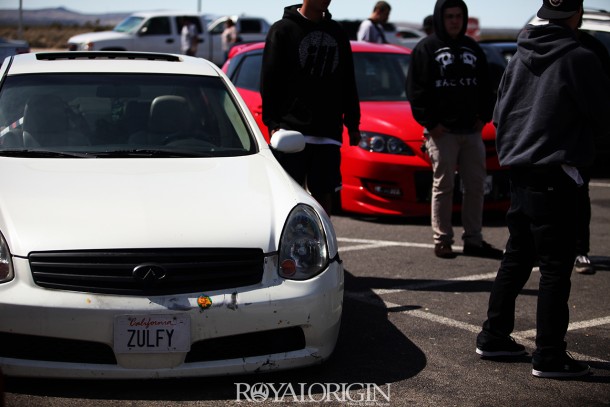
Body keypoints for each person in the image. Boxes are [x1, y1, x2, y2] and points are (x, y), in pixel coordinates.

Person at [476, 0, 610, 378]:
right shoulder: (579, 58)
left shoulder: (519, 56)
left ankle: (493, 335)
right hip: (558, 172)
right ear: (576, 14)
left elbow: (499, 115)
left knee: (518, 256)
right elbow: (604, 117)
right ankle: (550, 355)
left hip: (521, 171)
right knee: (555, 266)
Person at [405, 0, 502, 259]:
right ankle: (442, 239)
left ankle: (474, 239)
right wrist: (430, 123)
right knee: (444, 185)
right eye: (449, 16)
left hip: (471, 131)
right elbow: (415, 90)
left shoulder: (473, 48)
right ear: (440, 18)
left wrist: (484, 117)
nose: (455, 21)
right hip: (442, 132)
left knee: (476, 185)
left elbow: (487, 87)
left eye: (459, 16)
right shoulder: (426, 48)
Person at [261, 0, 361, 216]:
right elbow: (270, 80)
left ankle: (322, 237)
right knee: (288, 196)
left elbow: (348, 80)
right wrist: (273, 123)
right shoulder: (282, 30)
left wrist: (353, 123)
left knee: (324, 195)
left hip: (328, 130)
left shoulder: (337, 32)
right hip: (291, 130)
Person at [572, 30, 610, 275]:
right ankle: (540, 249)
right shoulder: (537, 44)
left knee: (578, 195)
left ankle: (579, 250)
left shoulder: (591, 49)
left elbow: (602, 95)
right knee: (540, 198)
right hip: (544, 139)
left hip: (579, 139)